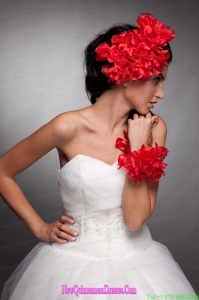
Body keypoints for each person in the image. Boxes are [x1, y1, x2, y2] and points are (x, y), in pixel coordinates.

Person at [0, 13, 196, 299]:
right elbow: (3, 171)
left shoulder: (155, 128)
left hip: (142, 266)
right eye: (156, 79)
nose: (162, 94)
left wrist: (139, 149)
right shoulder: (67, 127)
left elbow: (135, 220)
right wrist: (40, 227)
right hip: (69, 270)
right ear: (128, 73)